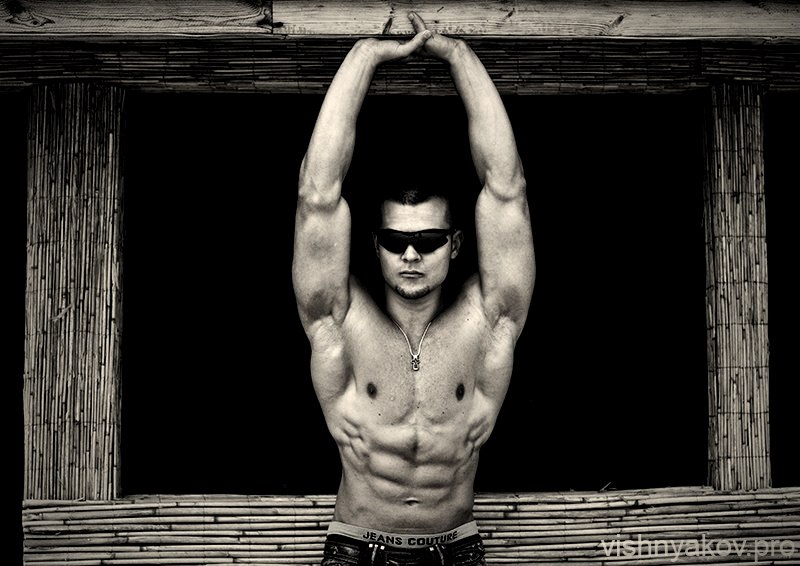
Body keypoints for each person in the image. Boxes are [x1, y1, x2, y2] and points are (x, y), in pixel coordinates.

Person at [292, 11, 534, 566]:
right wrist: (365, 55)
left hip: (458, 550)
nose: (410, 255)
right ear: (374, 245)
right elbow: (316, 196)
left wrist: (457, 55)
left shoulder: (487, 321)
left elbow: (507, 190)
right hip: (357, 549)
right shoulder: (339, 324)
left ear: (455, 244)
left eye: (427, 240)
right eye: (395, 240)